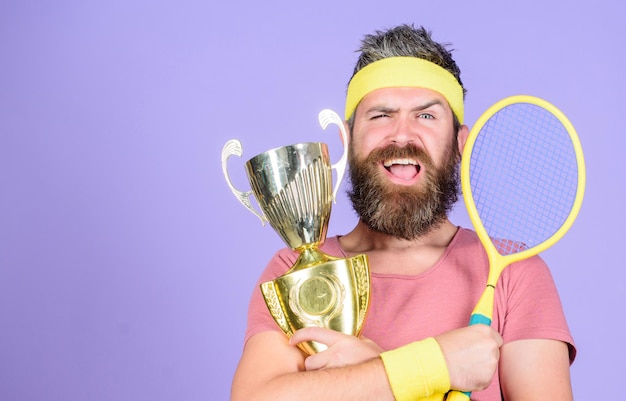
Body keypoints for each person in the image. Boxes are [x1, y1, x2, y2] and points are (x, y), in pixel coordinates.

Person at [230, 23, 575, 401]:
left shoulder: (514, 273)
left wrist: (376, 370)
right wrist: (434, 364)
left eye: (426, 116)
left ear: (461, 143)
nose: (402, 135)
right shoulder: (295, 269)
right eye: (381, 115)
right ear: (349, 139)